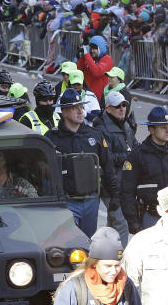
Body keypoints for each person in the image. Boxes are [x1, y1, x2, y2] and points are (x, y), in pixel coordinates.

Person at [48, 88, 120, 237]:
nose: (80, 111)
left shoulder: (95, 135)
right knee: (69, 244)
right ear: (64, 111)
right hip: (66, 203)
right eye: (75, 108)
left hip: (91, 201)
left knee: (88, 244)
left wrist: (115, 195)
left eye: (81, 106)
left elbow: (108, 166)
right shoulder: (51, 138)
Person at [119, 106, 168, 234]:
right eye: (163, 127)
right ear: (151, 129)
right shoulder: (138, 155)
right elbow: (126, 191)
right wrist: (133, 221)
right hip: (151, 216)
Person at [92, 91, 138, 245]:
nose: (122, 109)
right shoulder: (102, 129)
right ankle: (120, 261)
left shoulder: (126, 124)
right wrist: (128, 156)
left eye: (124, 105)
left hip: (124, 183)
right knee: (122, 225)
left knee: (112, 226)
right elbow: (107, 158)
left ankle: (104, 257)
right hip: (109, 185)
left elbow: (135, 146)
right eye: (117, 106)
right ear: (108, 108)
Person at [52, 226, 140, 305]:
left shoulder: (127, 286)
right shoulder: (74, 289)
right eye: (108, 266)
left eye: (117, 265)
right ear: (94, 264)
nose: (114, 272)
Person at [77, 35, 114, 106]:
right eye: (91, 48)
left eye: (95, 49)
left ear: (101, 48)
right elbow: (80, 71)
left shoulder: (107, 59)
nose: (92, 51)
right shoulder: (89, 59)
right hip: (88, 97)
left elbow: (97, 72)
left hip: (100, 99)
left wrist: (87, 55)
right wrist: (82, 57)